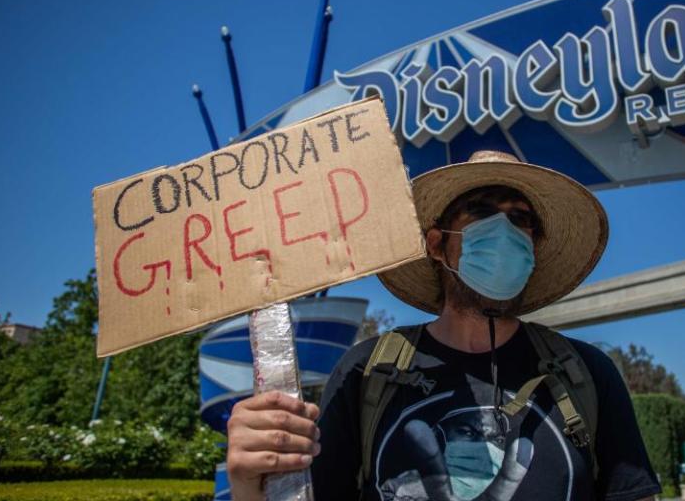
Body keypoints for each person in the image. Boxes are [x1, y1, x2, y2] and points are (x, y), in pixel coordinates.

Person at [227, 151, 661, 501]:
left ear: (533, 246)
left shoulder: (586, 374)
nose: (504, 231)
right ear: (438, 245)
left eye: (520, 218)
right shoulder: (369, 374)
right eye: (482, 212)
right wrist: (250, 486)